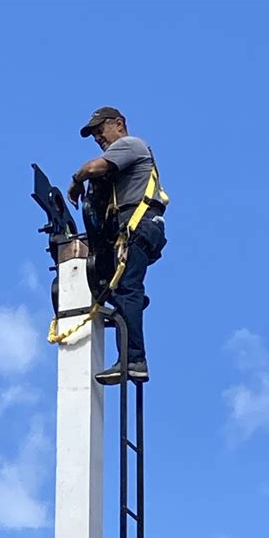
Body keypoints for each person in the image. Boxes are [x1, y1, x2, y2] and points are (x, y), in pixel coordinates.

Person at [67, 106, 168, 385]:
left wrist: (77, 181)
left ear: (119, 124)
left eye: (101, 130)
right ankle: (128, 307)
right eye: (94, 134)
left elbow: (92, 168)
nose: (98, 138)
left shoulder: (130, 145)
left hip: (139, 228)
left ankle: (133, 359)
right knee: (116, 286)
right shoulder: (121, 160)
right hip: (136, 231)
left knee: (128, 289)